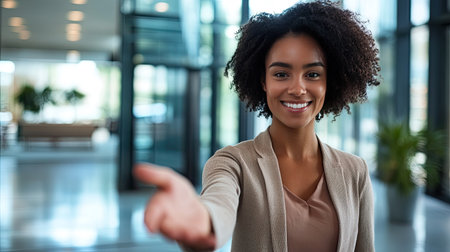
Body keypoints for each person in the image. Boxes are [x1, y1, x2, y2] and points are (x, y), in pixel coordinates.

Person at [134, 1, 380, 251]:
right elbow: (219, 203)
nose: (297, 89)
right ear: (263, 81)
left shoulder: (355, 171)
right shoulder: (233, 163)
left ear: (330, 81)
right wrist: (204, 219)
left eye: (313, 74)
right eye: (281, 74)